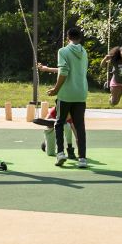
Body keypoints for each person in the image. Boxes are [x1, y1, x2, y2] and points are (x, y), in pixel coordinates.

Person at [37, 26, 89, 168]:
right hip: (81, 93)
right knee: (80, 126)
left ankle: (60, 153)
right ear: (80, 38)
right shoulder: (84, 52)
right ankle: (82, 158)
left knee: (59, 123)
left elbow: (64, 72)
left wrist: (56, 89)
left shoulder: (63, 51)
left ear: (67, 38)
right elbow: (73, 70)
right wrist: (48, 69)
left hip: (66, 94)